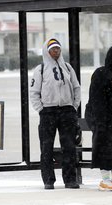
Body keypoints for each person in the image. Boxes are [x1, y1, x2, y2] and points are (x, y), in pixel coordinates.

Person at [30, 38, 81, 190]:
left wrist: (74, 106)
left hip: (66, 111)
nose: (56, 51)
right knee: (46, 148)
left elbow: (76, 88)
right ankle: (48, 180)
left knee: (69, 147)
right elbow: (34, 92)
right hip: (48, 112)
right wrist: (41, 109)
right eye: (53, 49)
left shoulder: (67, 67)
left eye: (58, 49)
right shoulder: (40, 69)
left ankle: (70, 180)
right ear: (47, 51)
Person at [86, 45, 112, 191]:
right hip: (104, 119)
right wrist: (100, 120)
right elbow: (95, 98)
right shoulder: (101, 73)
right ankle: (105, 179)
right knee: (105, 147)